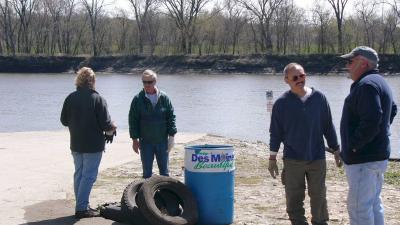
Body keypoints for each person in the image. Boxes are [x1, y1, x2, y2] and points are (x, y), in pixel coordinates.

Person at [268, 63, 342, 225]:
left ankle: (320, 222)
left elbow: (328, 126)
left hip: (317, 157)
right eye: (295, 77)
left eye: (302, 76)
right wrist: (272, 158)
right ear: (286, 80)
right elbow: (275, 133)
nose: (299, 80)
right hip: (293, 159)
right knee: (294, 198)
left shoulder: (319, 98)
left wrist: (336, 149)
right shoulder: (281, 103)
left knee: (319, 196)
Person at [339, 46, 397, 225]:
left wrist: (354, 145)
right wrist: (379, 138)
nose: (347, 66)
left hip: (364, 159)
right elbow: (392, 109)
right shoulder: (379, 81)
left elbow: (373, 119)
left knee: (359, 208)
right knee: (372, 204)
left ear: (363, 63)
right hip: (375, 157)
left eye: (350, 61)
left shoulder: (367, 85)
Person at [61, 67, 117, 219]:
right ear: (92, 81)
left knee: (79, 174)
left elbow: (63, 121)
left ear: (78, 80)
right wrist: (113, 127)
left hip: (76, 143)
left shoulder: (70, 97)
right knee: (88, 176)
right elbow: (106, 125)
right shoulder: (98, 99)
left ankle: (82, 205)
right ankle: (81, 208)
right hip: (93, 145)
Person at [129, 69, 177, 178]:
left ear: (155, 81)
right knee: (146, 174)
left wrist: (172, 136)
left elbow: (171, 117)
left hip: (162, 141)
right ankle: (146, 194)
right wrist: (134, 139)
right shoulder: (137, 99)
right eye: (144, 82)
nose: (146, 85)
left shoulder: (164, 98)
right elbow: (133, 120)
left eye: (149, 82)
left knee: (164, 173)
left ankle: (165, 194)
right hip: (145, 142)